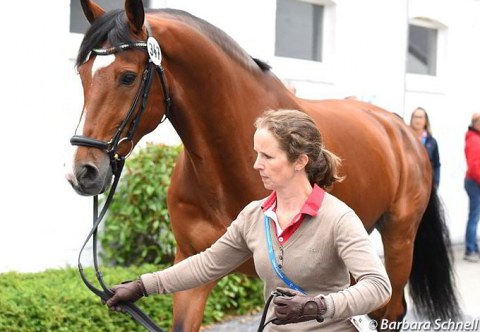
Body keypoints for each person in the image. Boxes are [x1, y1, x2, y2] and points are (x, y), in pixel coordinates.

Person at [106, 109, 392, 331]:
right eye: (257, 154)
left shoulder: (338, 218)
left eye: (267, 156)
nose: (257, 164)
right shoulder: (255, 215)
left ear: (300, 161)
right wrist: (142, 286)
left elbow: (378, 286)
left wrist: (317, 307)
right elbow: (207, 264)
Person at [409, 107, 441, 188]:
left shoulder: (432, 142)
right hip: (408, 183)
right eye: (415, 117)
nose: (417, 120)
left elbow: (436, 164)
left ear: (425, 120)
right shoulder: (405, 138)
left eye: (420, 117)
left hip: (424, 185)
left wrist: (436, 182)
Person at [464, 112, 480, 263]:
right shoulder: (474, 140)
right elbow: (475, 166)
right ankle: (470, 249)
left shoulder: (476, 138)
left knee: (475, 216)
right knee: (474, 217)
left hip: (474, 181)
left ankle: (474, 246)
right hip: (475, 182)